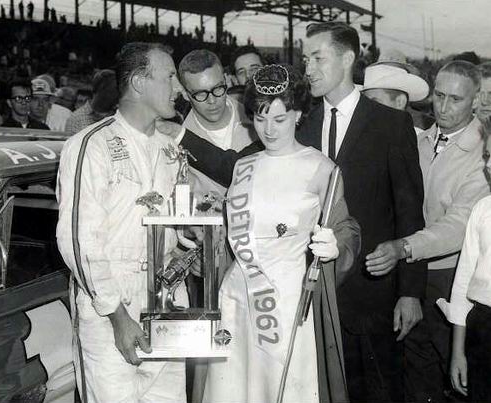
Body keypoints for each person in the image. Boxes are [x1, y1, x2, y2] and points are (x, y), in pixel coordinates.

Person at [172, 22, 426, 402]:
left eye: (317, 58)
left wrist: (411, 291)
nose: (309, 67)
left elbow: (408, 210)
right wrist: (175, 136)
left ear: (348, 58)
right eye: (305, 59)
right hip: (271, 298)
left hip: (358, 289)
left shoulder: (390, 123)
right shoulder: (294, 124)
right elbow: (240, 170)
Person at [202, 64, 360, 403]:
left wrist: (335, 247)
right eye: (260, 119)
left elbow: (346, 228)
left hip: (285, 303)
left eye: (279, 118)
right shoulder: (243, 166)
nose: (269, 129)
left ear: (298, 113)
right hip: (237, 296)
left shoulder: (321, 168)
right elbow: (231, 235)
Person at [56, 42, 187, 403]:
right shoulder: (90, 145)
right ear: (140, 82)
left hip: (164, 298)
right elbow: (78, 240)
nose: (178, 87)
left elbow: (173, 227)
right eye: (170, 76)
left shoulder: (170, 149)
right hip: (111, 305)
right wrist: (118, 316)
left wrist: (192, 239)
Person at [366, 60, 490, 402]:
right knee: (417, 377)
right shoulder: (418, 140)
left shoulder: (484, 154)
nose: (444, 107)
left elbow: (459, 224)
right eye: (439, 95)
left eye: (456, 99)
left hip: (452, 278)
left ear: (476, 101)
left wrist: (403, 247)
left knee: (460, 380)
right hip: (410, 274)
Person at [437, 120, 491, 402]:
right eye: (487, 156)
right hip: (482, 328)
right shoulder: (483, 209)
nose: (489, 166)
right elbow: (462, 284)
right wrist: (458, 352)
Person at [178, 49, 257, 196]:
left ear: (226, 80)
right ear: (185, 94)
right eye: (200, 94)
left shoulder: (259, 123)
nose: (212, 101)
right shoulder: (175, 145)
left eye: (218, 88)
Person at [361, 62, 429, 133]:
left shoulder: (419, 141)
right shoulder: (361, 136)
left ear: (400, 102)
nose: (367, 111)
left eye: (375, 103)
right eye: (365, 104)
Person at [65, 69, 118, 135]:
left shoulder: (118, 117)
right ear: (99, 90)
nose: (117, 96)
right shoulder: (77, 119)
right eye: (112, 91)